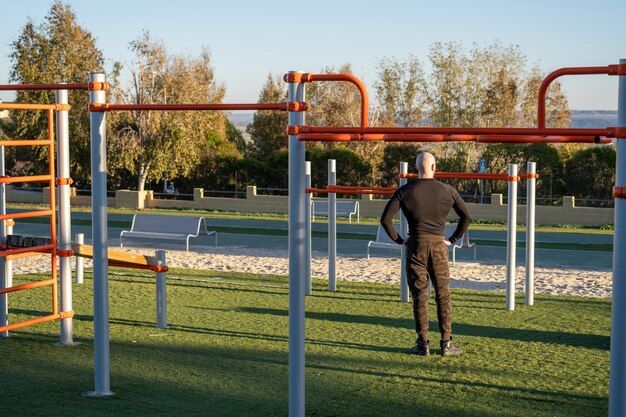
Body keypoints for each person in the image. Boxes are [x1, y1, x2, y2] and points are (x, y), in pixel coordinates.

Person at [380, 151, 472, 356]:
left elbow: (386, 219)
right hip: (439, 246)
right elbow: (466, 216)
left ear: (417, 168)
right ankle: (446, 344)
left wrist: (399, 239)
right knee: (443, 295)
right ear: (434, 167)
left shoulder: (404, 191)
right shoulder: (448, 190)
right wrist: (452, 239)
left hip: (415, 246)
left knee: (420, 296)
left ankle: (423, 344)